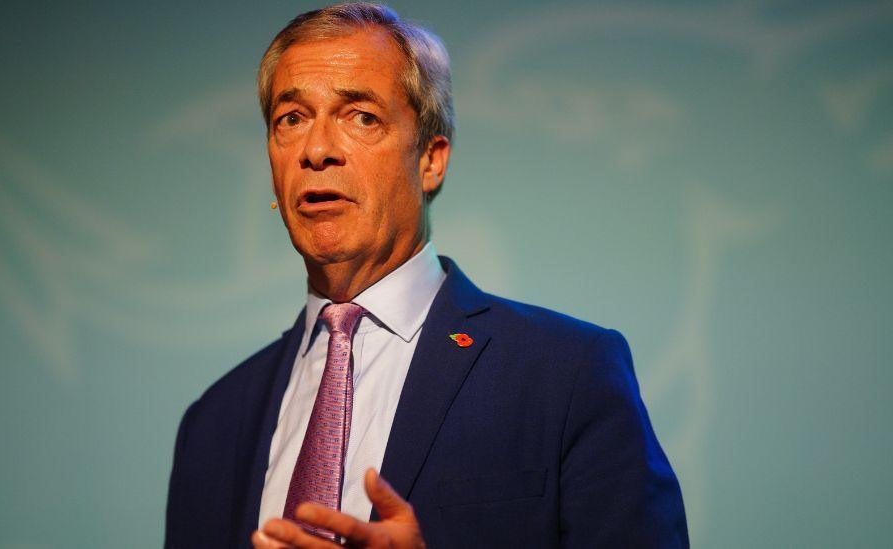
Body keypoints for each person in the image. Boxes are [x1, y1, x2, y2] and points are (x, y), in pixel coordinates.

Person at [164, 3, 689, 548]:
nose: (316, 150)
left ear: (431, 160)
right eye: (290, 119)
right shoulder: (213, 424)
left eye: (361, 116)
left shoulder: (567, 375)